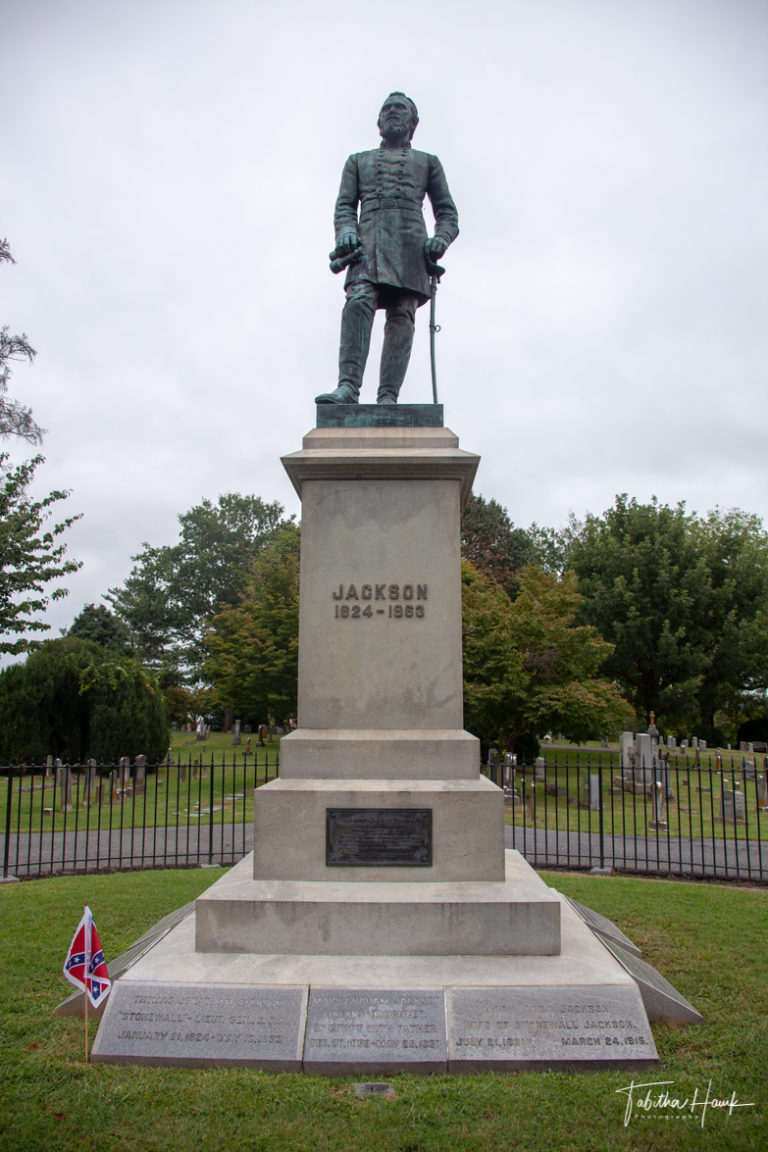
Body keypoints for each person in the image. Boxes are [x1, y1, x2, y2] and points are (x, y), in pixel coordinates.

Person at [316, 92, 459, 405]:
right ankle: (348, 387)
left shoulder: (428, 162)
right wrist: (346, 233)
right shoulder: (357, 161)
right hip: (368, 242)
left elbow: (448, 214)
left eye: (401, 109)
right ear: (379, 121)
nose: (393, 113)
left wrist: (441, 239)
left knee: (401, 316)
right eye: (387, 109)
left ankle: (388, 397)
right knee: (357, 303)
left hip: (411, 244)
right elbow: (344, 207)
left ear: (413, 123)